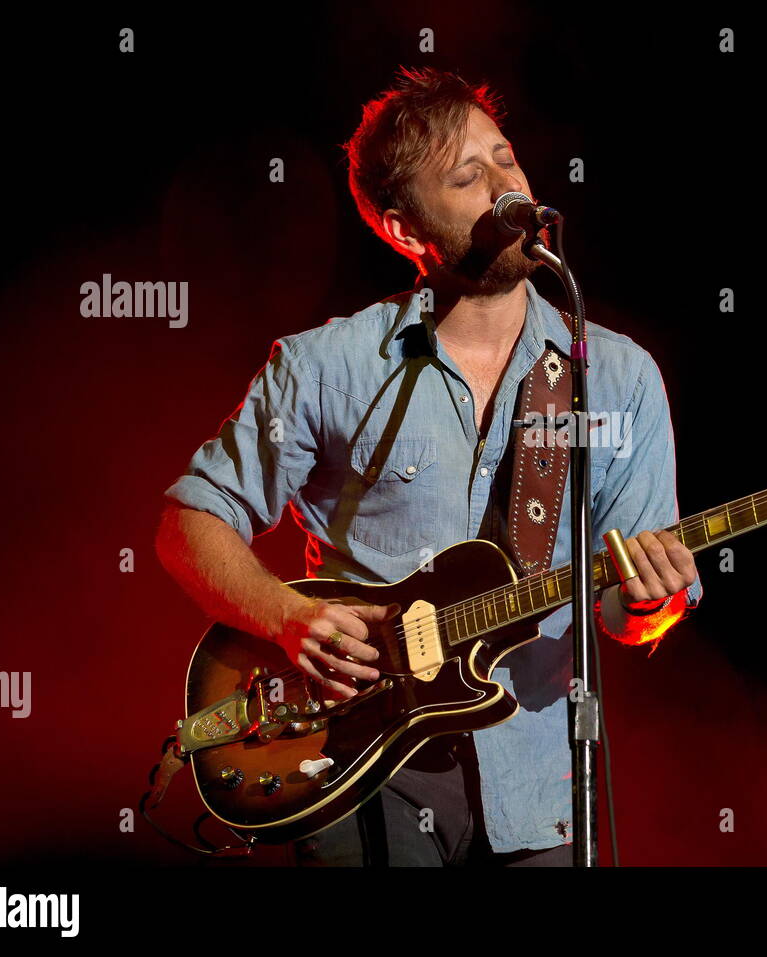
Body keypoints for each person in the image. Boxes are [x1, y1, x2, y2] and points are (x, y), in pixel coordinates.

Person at [154, 66, 702, 866]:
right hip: (359, 768)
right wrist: (284, 615)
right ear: (404, 228)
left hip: (539, 795)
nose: (505, 184)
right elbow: (186, 522)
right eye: (466, 176)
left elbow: (622, 615)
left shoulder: (615, 377)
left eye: (506, 158)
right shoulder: (328, 367)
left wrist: (652, 605)